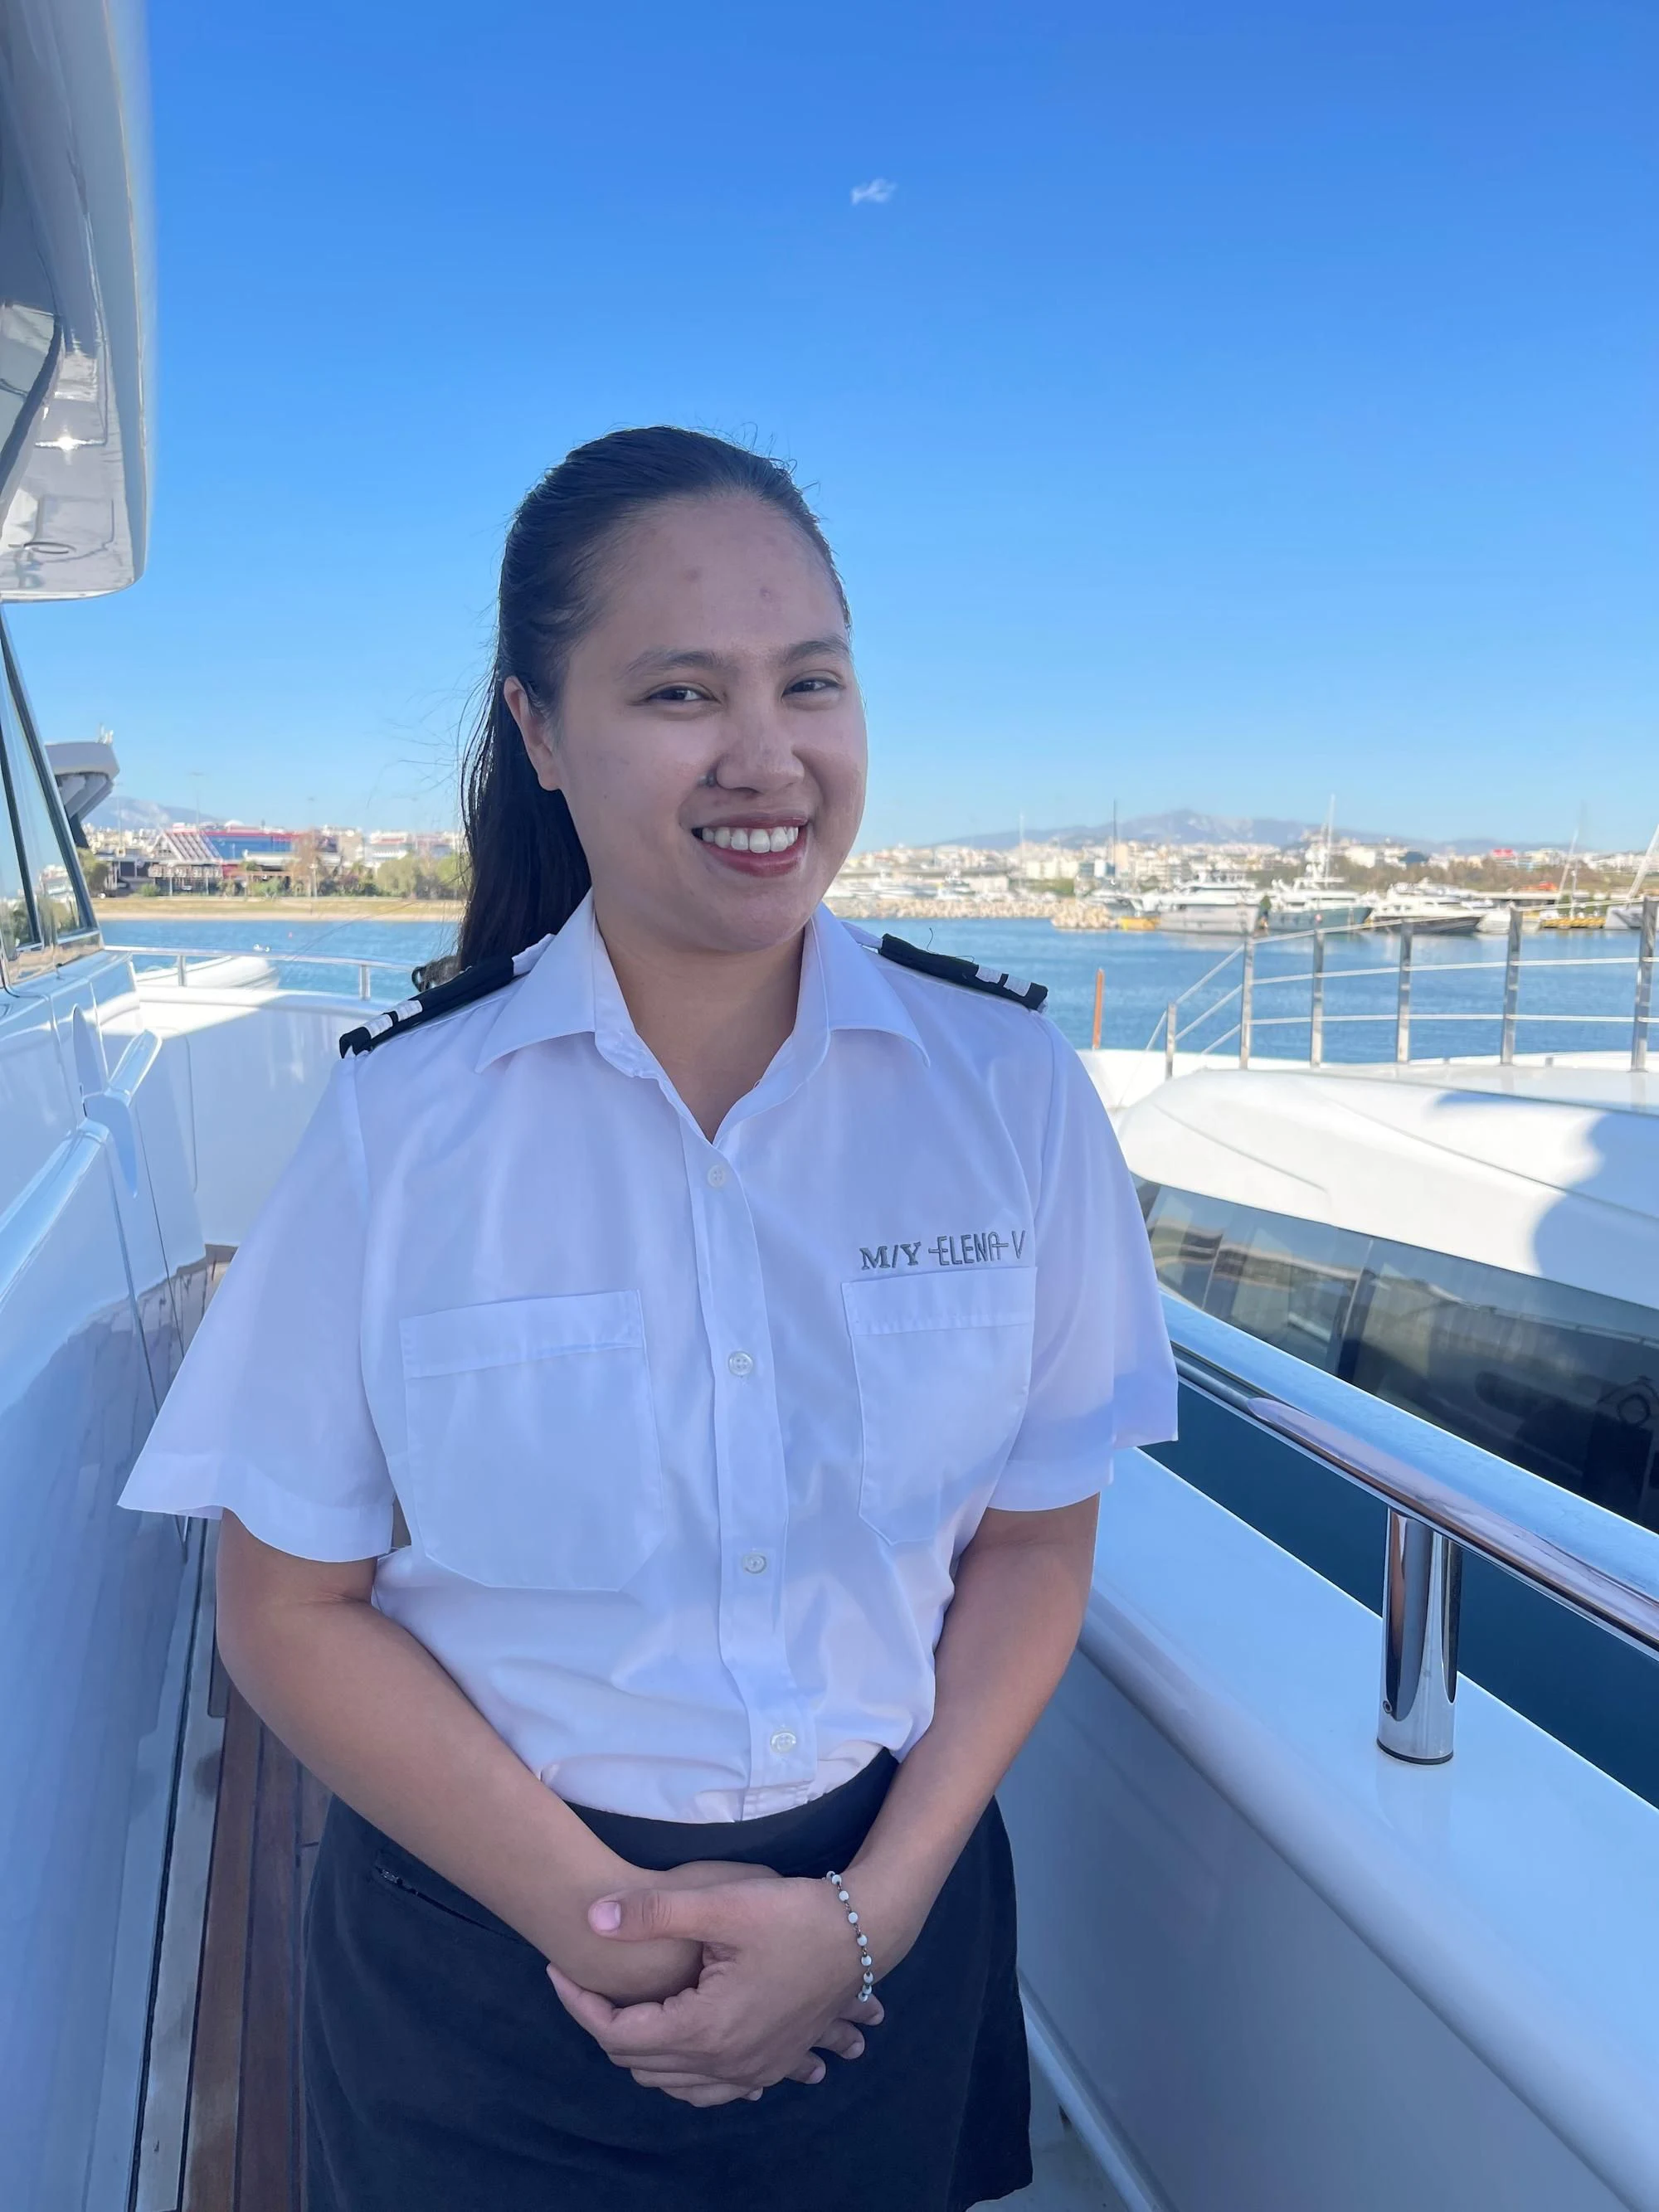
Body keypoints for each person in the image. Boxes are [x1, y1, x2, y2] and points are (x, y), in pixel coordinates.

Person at [120, 425, 1177, 2212]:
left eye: (810, 682)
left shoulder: (1007, 1094)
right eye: (681, 691)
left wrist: (871, 1912)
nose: (767, 756)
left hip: (884, 1937)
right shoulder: (404, 1126)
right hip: (490, 1969)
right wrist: (608, 1922)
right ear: (538, 731)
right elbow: (288, 1606)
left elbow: (1031, 1544)